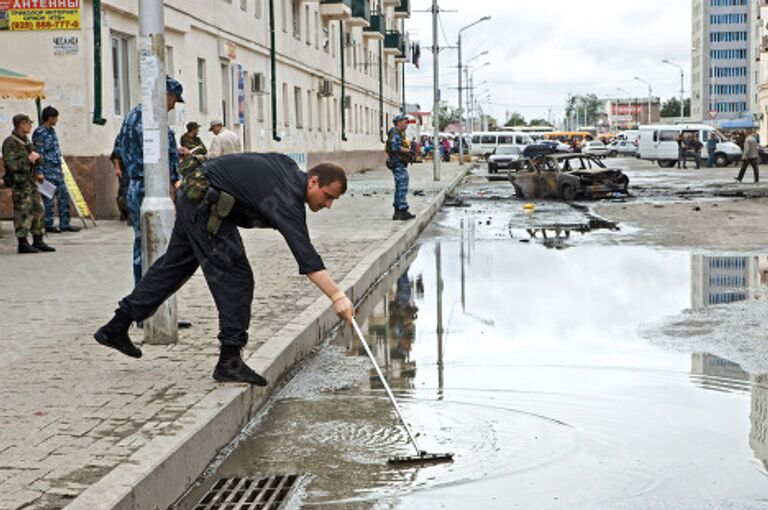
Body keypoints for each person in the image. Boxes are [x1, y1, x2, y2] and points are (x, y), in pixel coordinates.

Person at [94, 154, 355, 385]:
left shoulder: (288, 169)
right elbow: (306, 256)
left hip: (196, 195)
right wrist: (337, 296)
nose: (328, 204)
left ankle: (115, 327)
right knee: (237, 279)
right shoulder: (288, 198)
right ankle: (229, 362)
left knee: (172, 269)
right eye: (328, 196)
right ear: (313, 181)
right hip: (205, 203)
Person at [116, 76, 182, 285]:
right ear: (165, 94)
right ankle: (154, 307)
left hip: (136, 185)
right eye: (174, 100)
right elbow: (160, 156)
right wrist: (175, 184)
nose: (173, 106)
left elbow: (123, 148)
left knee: (142, 245)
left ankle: (144, 303)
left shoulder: (133, 115)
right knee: (157, 246)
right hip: (153, 187)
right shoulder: (153, 117)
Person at [1, 114, 55, 253]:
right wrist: (28, 159)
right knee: (23, 212)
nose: (30, 126)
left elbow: (36, 159)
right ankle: (22, 242)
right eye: (28, 123)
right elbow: (10, 165)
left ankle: (38, 239)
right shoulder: (10, 142)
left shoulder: (26, 141)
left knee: (39, 209)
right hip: (20, 183)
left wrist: (37, 158)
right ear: (21, 124)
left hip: (31, 182)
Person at [32, 106, 80, 233]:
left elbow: (55, 152)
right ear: (50, 118)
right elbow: (38, 153)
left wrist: (60, 168)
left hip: (57, 170)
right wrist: (39, 171)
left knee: (63, 196)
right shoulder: (39, 132)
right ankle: (48, 224)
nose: (57, 120)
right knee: (48, 199)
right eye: (56, 117)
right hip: (46, 170)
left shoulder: (52, 131)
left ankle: (65, 223)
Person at [385, 115, 415, 221]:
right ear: (398, 123)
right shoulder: (395, 132)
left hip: (400, 162)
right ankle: (401, 210)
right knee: (402, 184)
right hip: (397, 162)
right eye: (404, 122)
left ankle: (399, 211)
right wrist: (408, 151)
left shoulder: (399, 133)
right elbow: (395, 147)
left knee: (401, 185)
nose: (406, 125)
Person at [109, 137, 130, 223]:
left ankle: (131, 214)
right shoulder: (122, 135)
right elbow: (116, 154)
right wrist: (117, 168)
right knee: (124, 191)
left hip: (134, 168)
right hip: (124, 169)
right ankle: (124, 213)